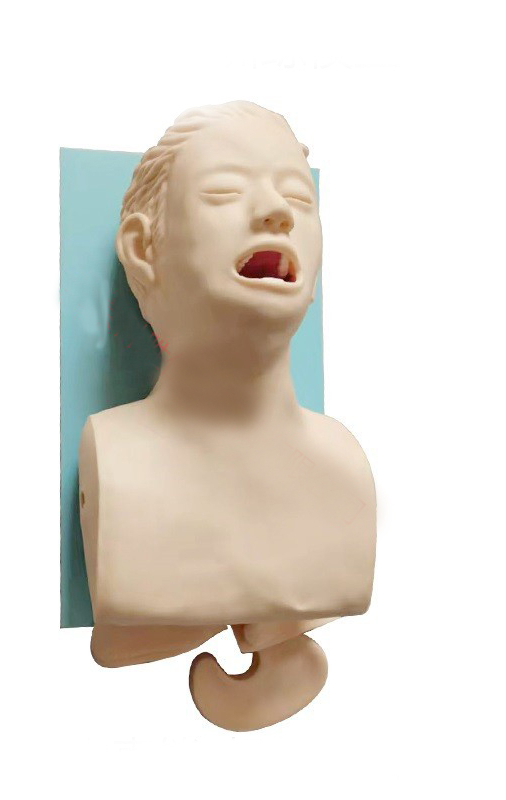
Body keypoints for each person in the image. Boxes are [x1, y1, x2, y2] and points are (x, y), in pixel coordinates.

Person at [79, 101, 376, 730]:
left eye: (299, 198)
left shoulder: (345, 471)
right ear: (143, 249)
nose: (276, 213)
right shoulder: (116, 460)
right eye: (224, 192)